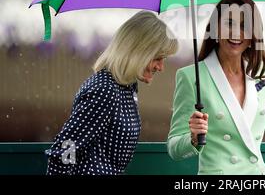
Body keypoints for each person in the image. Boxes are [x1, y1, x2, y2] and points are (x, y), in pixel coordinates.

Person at [167, 0, 265, 175]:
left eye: (244, 25)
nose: (236, 33)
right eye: (229, 23)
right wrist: (192, 139)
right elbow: (174, 148)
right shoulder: (191, 77)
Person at [46, 11, 178, 175]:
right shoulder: (104, 90)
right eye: (158, 58)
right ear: (138, 52)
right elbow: (66, 147)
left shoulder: (126, 87)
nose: (161, 67)